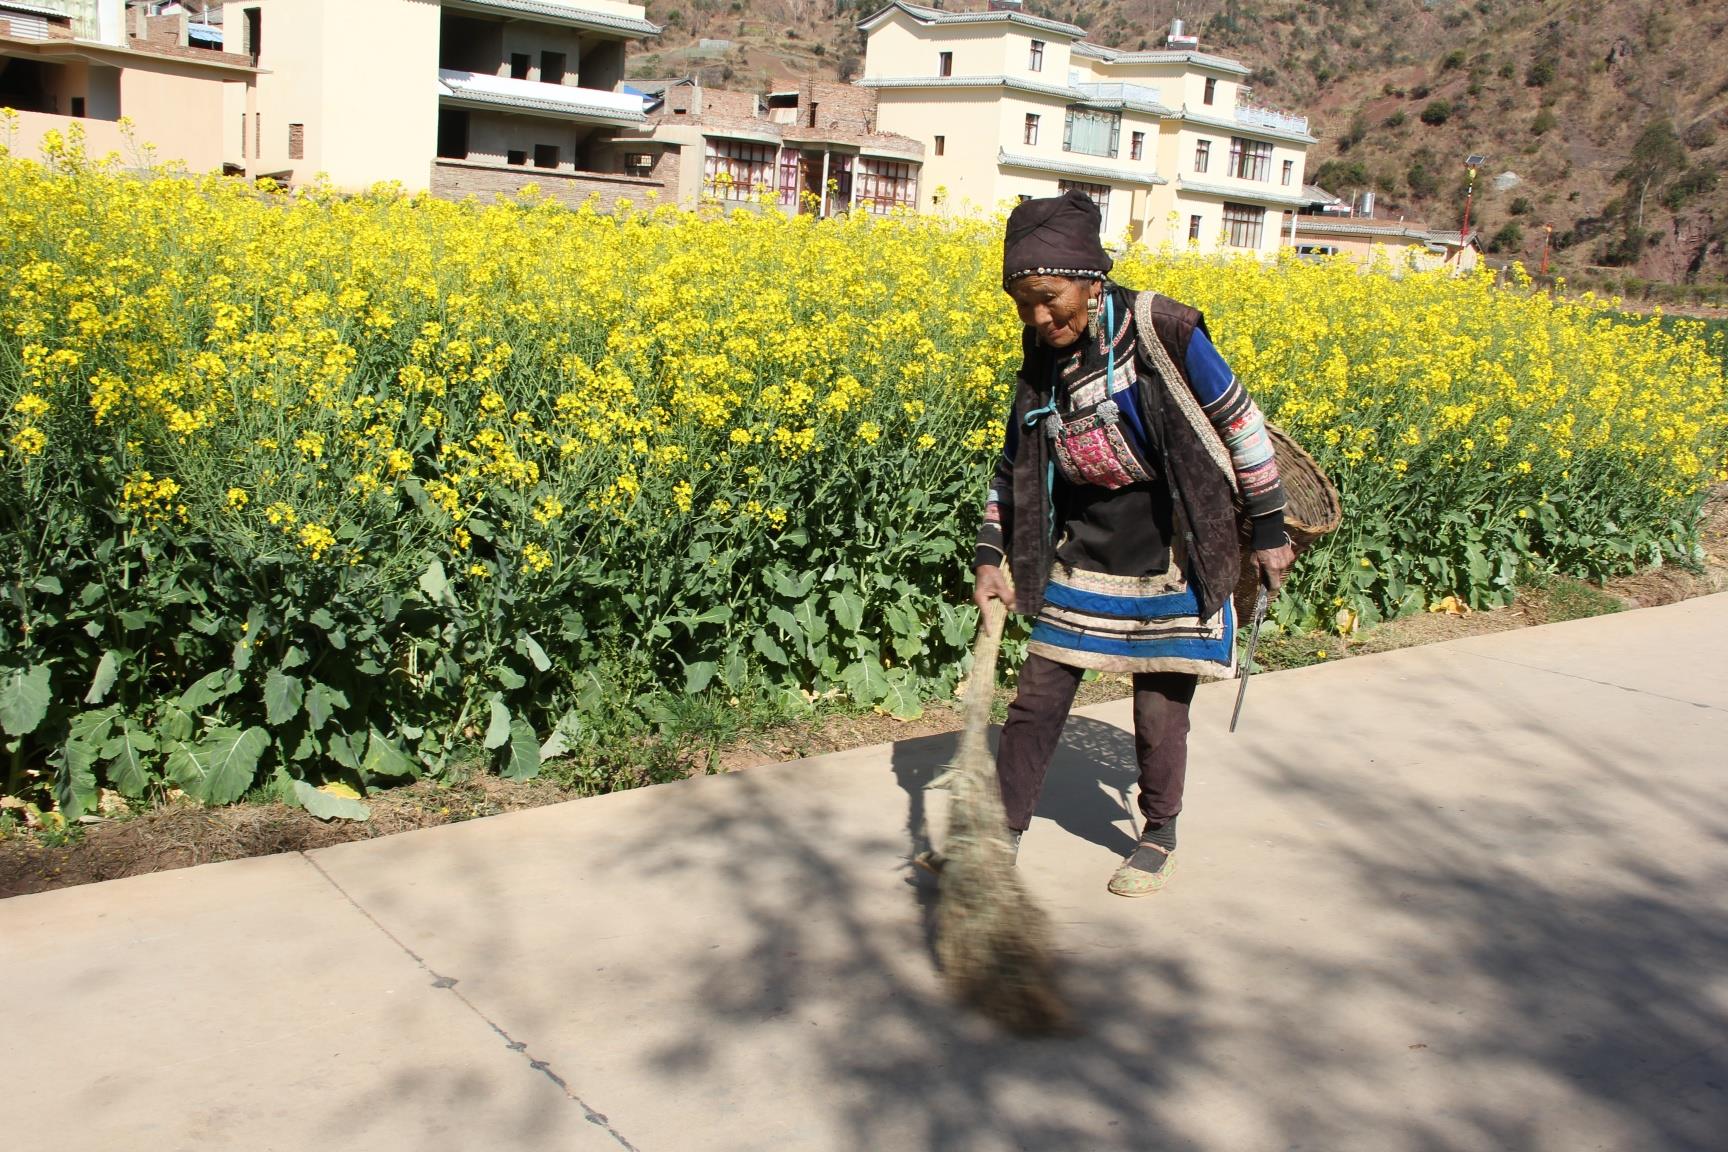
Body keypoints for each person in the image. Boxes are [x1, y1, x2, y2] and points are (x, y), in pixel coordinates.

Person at [973, 190, 1294, 897]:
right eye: (1023, 302)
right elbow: (1015, 464)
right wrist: (992, 553)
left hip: (1173, 547)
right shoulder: (1039, 356)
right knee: (1036, 697)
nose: (1038, 316)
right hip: (1084, 549)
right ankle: (1000, 834)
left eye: (1050, 298)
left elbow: (1240, 422)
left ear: (1091, 279)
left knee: (1158, 708)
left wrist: (1268, 528)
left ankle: (1159, 831)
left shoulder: (1162, 327)